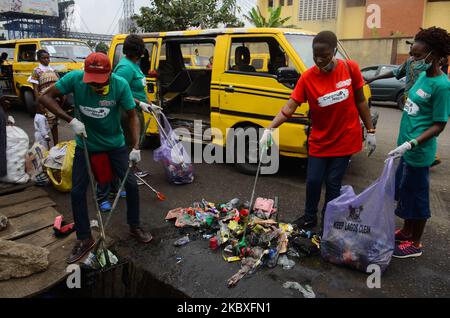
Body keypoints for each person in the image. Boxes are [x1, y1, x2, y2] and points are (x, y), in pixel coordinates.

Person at [39, 52, 154, 264]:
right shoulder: (75, 79)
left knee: (131, 185)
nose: (95, 87)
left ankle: (134, 226)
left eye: (100, 82)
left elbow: (132, 115)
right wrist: (70, 119)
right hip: (85, 143)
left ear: (110, 74)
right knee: (77, 191)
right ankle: (84, 238)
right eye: (92, 82)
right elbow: (44, 96)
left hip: (115, 144)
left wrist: (136, 146)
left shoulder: (120, 85)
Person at [260, 31, 377, 230]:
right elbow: (290, 107)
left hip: (345, 137)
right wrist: (270, 128)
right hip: (320, 138)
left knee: (333, 183)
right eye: (316, 55)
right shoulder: (307, 78)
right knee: (313, 180)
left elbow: (360, 101)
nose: (320, 60)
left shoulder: (350, 68)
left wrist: (371, 130)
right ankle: (309, 217)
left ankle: (329, 219)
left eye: (325, 55)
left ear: (335, 51)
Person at [388, 27, 450, 259]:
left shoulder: (442, 86)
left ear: (433, 55)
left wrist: (412, 143)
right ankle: (406, 230)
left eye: (417, 56)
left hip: (419, 151)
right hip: (405, 147)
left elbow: (439, 124)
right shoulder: (424, 76)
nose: (413, 60)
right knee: (405, 192)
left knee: (417, 196)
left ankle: (415, 242)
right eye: (412, 55)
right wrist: (403, 143)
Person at [96, 34, 161, 212]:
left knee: (125, 151)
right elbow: (119, 92)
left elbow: (138, 89)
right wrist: (141, 104)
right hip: (125, 114)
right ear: (138, 51)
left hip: (135, 111)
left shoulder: (134, 66)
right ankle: (106, 192)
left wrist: (150, 104)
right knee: (119, 152)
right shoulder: (124, 67)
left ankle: (119, 185)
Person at [28, 50, 61, 146]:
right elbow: (35, 89)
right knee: (45, 126)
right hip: (44, 101)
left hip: (55, 101)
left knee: (55, 124)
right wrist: (39, 102)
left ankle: (56, 146)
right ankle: (47, 148)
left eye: (48, 57)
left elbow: (58, 85)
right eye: (44, 58)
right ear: (39, 59)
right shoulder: (36, 71)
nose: (47, 60)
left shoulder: (53, 70)